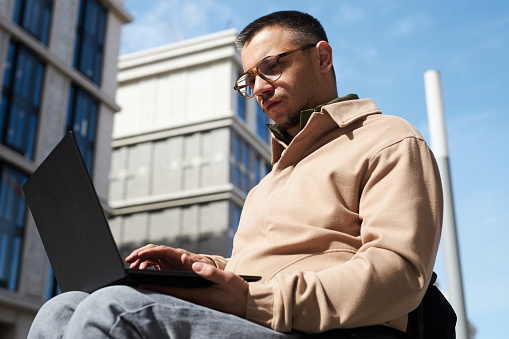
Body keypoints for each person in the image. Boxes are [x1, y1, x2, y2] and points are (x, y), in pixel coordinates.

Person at [28, 10, 443, 338]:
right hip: (258, 319)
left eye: (271, 67)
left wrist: (256, 300)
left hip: (330, 331)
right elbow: (253, 267)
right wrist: (194, 266)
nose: (259, 87)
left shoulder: (387, 138)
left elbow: (400, 273)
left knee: (114, 311)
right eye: (248, 80)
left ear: (322, 57)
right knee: (61, 309)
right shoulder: (267, 183)